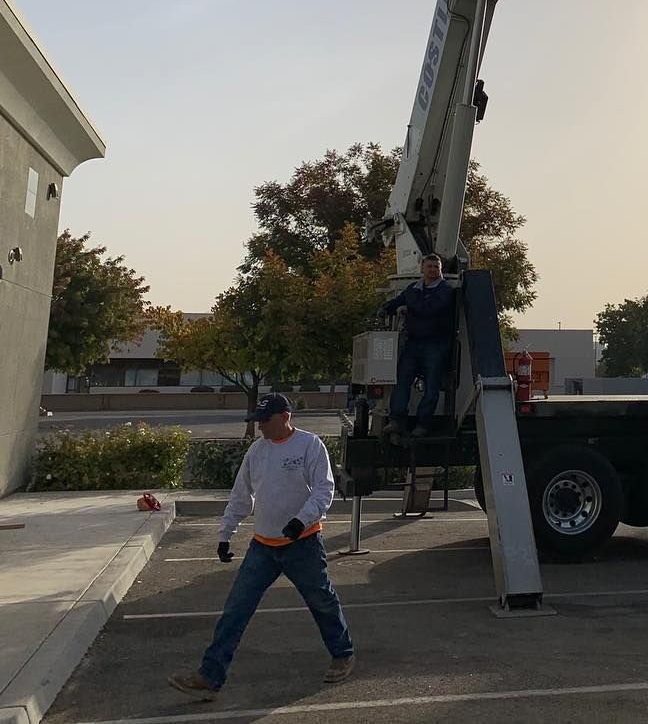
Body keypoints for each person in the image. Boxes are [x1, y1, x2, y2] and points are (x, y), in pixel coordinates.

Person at [167, 394, 354, 701]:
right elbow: (242, 494)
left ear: (285, 416)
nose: (261, 427)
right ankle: (210, 678)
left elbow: (324, 489)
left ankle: (343, 653)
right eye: (258, 421)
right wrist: (226, 533)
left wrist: (301, 520)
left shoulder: (309, 445)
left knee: (322, 600)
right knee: (235, 611)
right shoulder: (257, 451)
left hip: (302, 544)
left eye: (265, 420)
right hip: (263, 547)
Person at [380, 253, 456, 439]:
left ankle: (423, 424)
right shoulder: (413, 289)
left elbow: (429, 309)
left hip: (436, 345)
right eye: (429, 266)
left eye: (436, 267)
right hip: (413, 343)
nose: (433, 270)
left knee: (431, 386)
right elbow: (399, 302)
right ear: (422, 268)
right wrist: (386, 308)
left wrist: (407, 309)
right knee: (402, 381)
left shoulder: (445, 291)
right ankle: (396, 420)